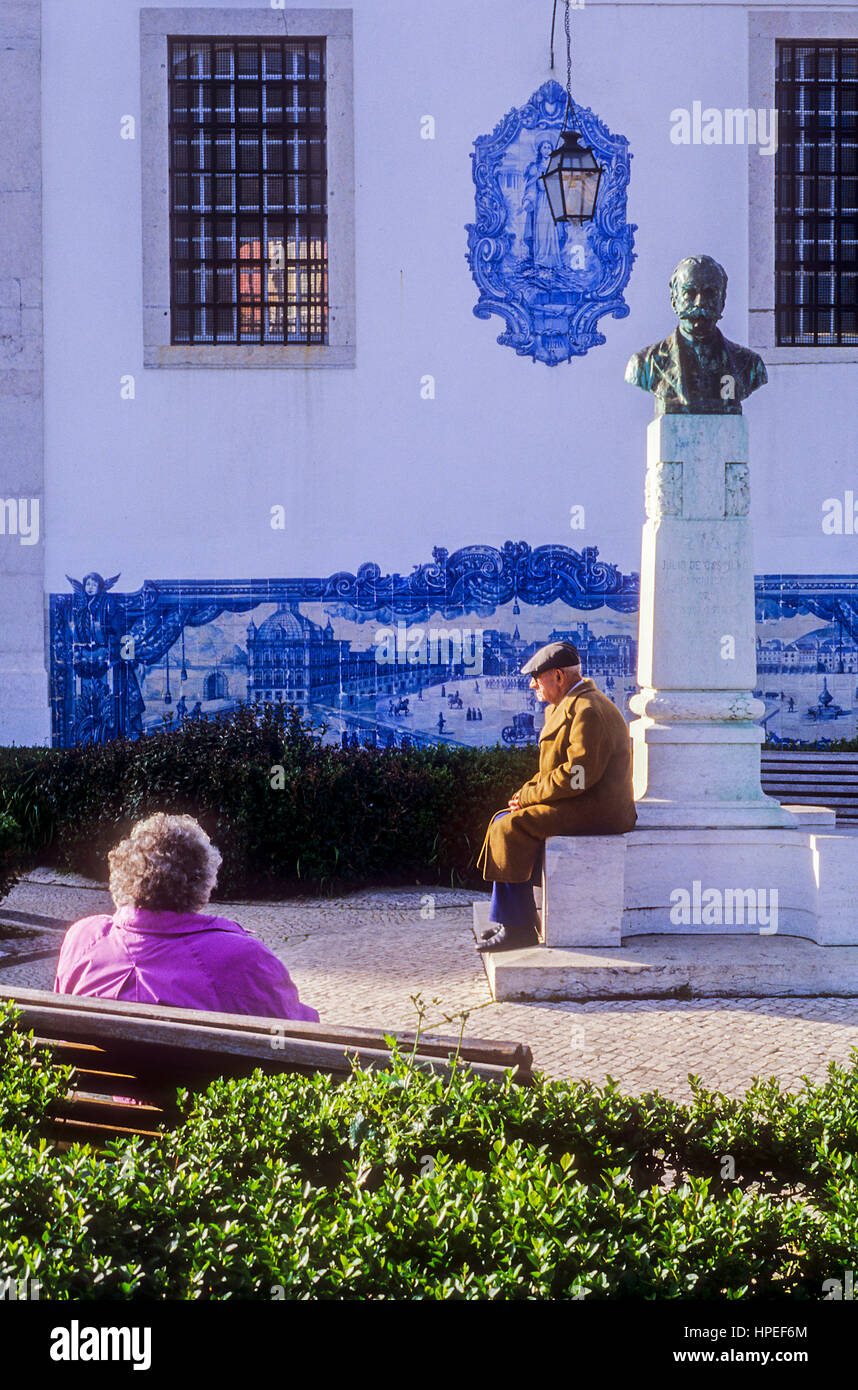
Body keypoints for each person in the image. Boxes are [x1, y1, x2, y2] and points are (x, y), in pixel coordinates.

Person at [54, 812, 319, 1021]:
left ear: (123, 874)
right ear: (202, 882)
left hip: (101, 1084)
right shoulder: (243, 958)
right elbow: (296, 1034)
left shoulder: (83, 937)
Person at [476, 642, 637, 954]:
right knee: (502, 819)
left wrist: (530, 797)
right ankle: (509, 918)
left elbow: (578, 776)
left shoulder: (588, 711)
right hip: (585, 802)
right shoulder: (572, 705)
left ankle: (519, 930)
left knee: (511, 827)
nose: (532, 683)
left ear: (559, 677)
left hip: (599, 810)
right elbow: (558, 769)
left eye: (538, 676)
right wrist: (526, 792)